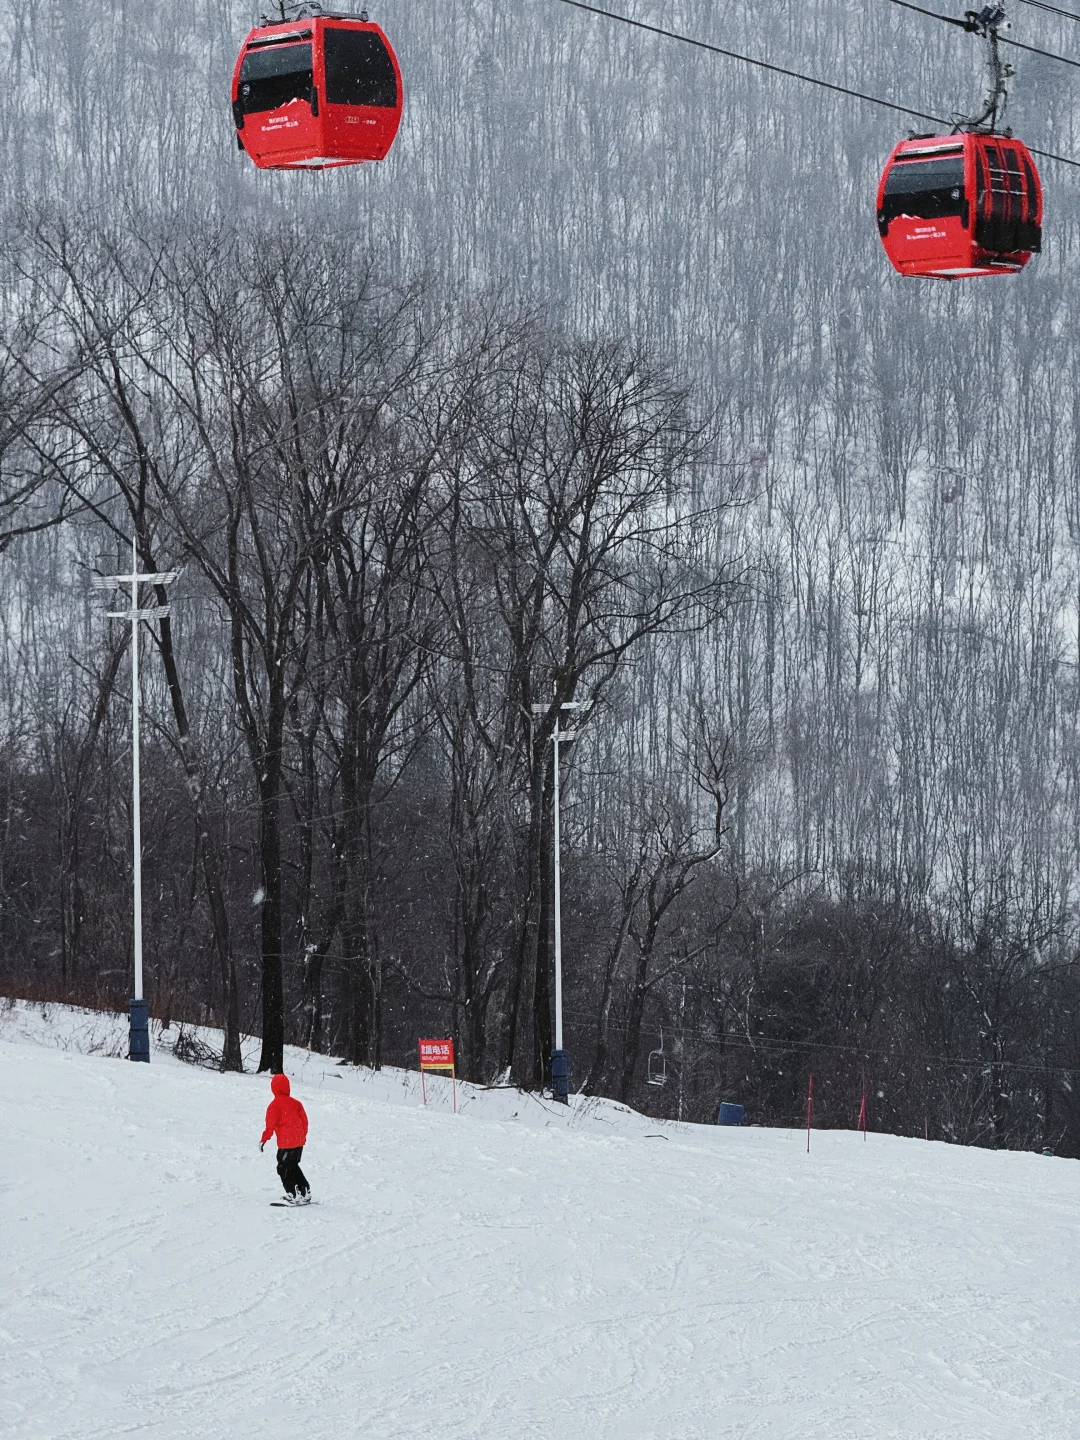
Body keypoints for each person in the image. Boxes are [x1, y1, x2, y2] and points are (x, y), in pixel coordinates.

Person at [260, 1073, 311, 1204]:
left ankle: (292, 1194)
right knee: (293, 1165)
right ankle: (304, 1191)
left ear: (273, 1088)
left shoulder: (275, 1105)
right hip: (299, 1142)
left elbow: (270, 1126)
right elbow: (305, 1121)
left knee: (283, 1167)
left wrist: (264, 1139)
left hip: (286, 1144)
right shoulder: (296, 1103)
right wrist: (302, 1136)